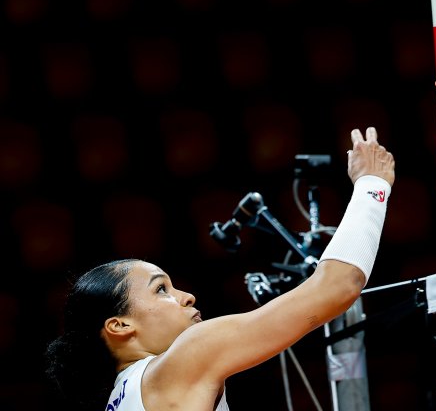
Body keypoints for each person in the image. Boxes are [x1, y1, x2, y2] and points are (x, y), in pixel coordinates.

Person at [44, 126, 395, 411]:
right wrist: (372, 184)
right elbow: (339, 286)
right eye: (160, 289)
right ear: (120, 325)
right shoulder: (187, 355)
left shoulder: (121, 400)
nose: (186, 296)